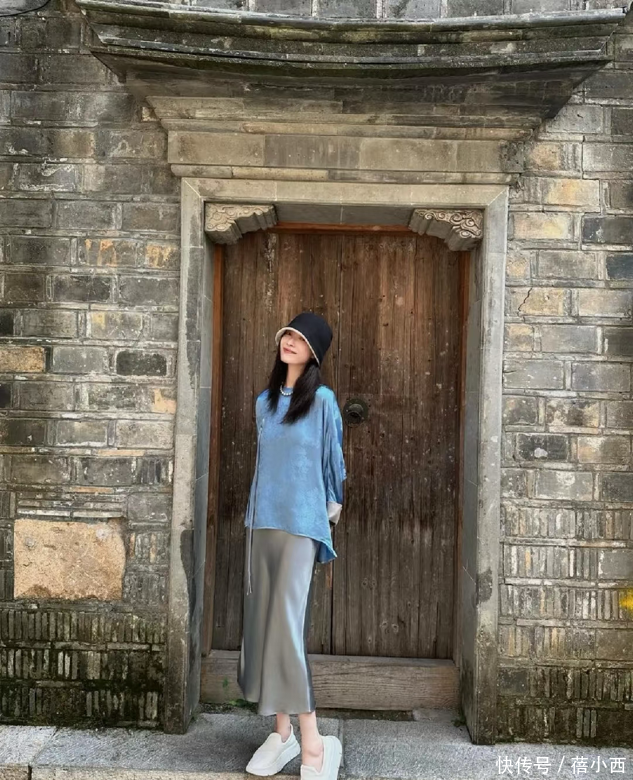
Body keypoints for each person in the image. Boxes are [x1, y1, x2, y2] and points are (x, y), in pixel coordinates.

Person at [237, 311, 347, 780]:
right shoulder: (264, 403)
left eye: (300, 339)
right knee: (264, 625)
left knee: (286, 626)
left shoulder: (322, 401)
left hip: (302, 525)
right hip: (262, 522)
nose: (290, 341)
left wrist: (329, 509)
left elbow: (333, 459)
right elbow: (265, 466)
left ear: (314, 352)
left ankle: (314, 742)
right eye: (288, 334)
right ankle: (281, 734)